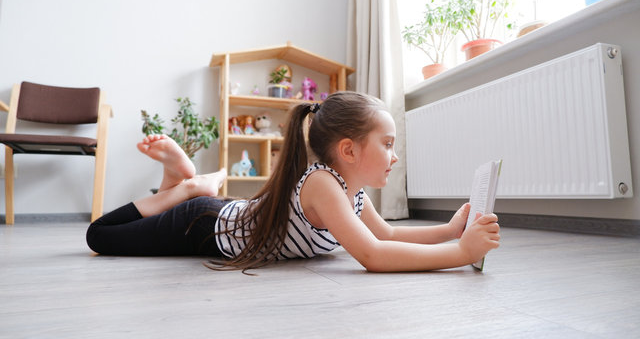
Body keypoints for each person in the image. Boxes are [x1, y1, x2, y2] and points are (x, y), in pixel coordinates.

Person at [87, 91, 500, 272]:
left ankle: (180, 179)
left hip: (226, 214)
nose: (394, 156)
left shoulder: (352, 194)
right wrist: (459, 253)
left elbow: (387, 235)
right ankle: (188, 186)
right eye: (387, 144)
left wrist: (448, 231)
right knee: (99, 236)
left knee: (111, 235)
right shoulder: (322, 183)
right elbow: (374, 256)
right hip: (201, 224)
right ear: (349, 150)